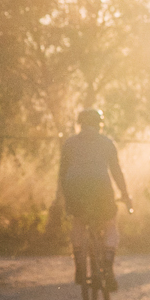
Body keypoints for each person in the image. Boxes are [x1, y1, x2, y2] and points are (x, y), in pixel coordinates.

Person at [60, 108, 131, 289]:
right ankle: (107, 264)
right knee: (110, 224)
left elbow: (63, 173)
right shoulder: (106, 142)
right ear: (99, 124)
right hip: (100, 187)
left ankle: (79, 266)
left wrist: (66, 196)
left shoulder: (69, 143)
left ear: (80, 124)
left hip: (74, 186)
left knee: (78, 223)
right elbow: (116, 171)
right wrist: (125, 195)